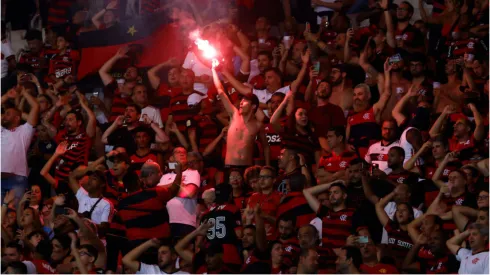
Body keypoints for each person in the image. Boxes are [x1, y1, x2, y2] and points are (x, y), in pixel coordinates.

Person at [211, 59, 263, 167]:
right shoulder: (234, 115)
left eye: (245, 101)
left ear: (253, 106)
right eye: (241, 101)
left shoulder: (258, 125)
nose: (241, 103)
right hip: (230, 165)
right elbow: (220, 91)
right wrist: (214, 70)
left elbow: (266, 147)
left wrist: (265, 165)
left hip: (247, 167)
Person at [1, 86, 40, 203]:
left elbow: (36, 107)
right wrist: (7, 96)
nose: (4, 116)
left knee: (15, 213)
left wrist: (24, 92)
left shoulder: (25, 131)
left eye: (8, 114)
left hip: (17, 178)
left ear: (17, 118)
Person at [158, 147, 201, 239]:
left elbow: (189, 193)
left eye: (184, 153)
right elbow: (158, 194)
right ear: (171, 158)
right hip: (166, 222)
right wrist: (179, 186)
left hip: (186, 222)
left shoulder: (193, 173)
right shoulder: (165, 176)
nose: (182, 154)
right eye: (178, 152)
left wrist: (168, 188)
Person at [200, 183, 243, 271]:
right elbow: (239, 234)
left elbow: (199, 242)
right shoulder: (233, 209)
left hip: (211, 255)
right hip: (229, 254)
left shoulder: (206, 213)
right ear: (230, 194)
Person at [304, 181, 356, 248]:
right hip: (325, 257)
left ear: (344, 196)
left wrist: (352, 241)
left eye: (336, 192)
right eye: (330, 193)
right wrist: (330, 184)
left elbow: (366, 239)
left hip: (344, 257)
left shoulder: (353, 213)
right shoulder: (325, 213)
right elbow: (306, 192)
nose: (332, 195)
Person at [122, 238, 189, 274]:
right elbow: (126, 260)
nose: (159, 256)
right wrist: (149, 243)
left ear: (174, 256)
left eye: (163, 253)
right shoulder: (151, 270)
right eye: (158, 253)